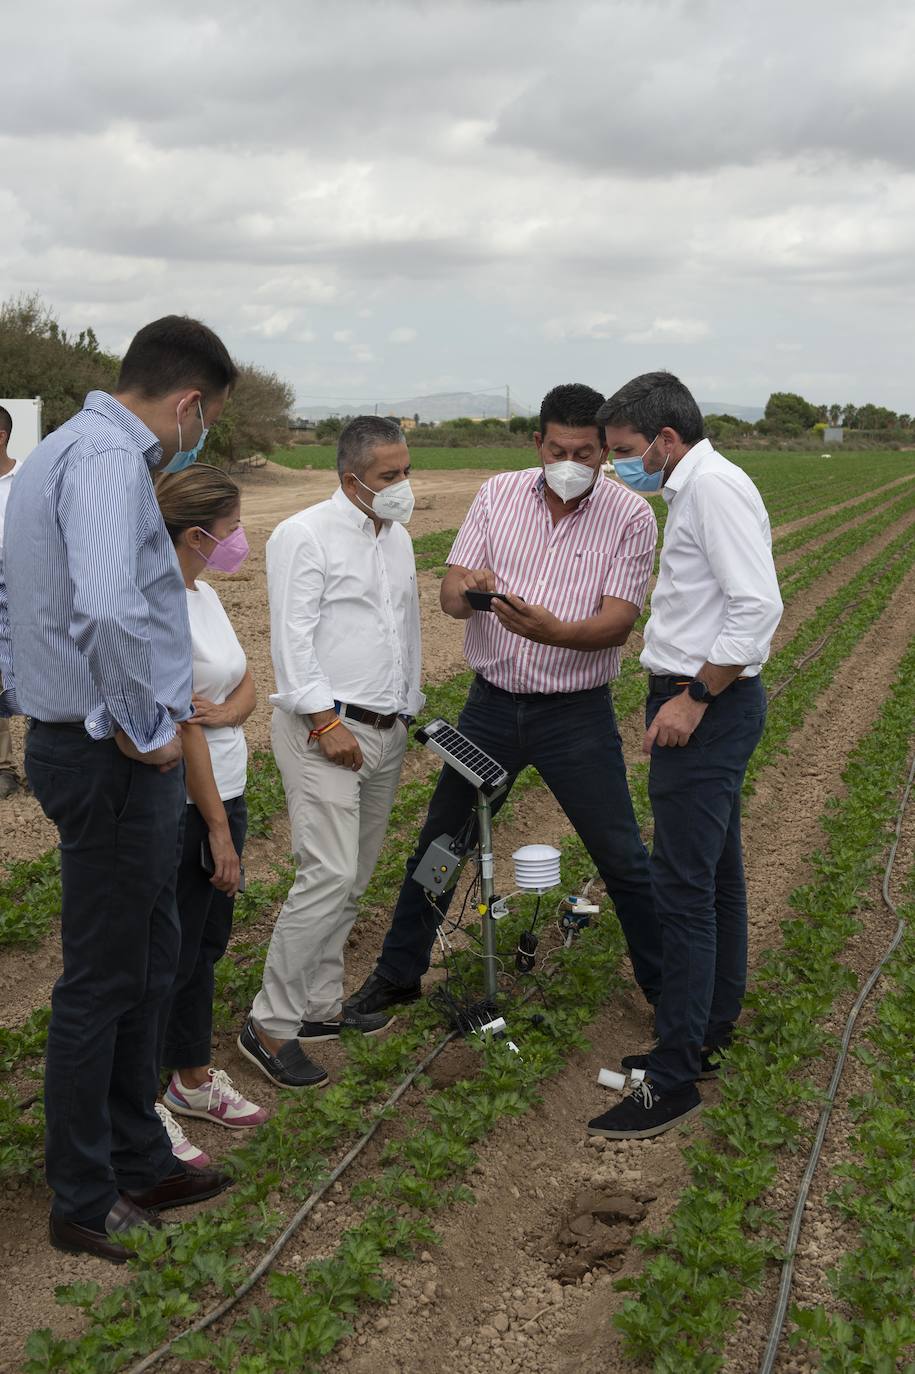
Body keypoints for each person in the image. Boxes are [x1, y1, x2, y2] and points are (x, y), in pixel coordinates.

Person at [0, 316, 238, 1262]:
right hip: (109, 756)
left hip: (85, 741)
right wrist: (146, 731)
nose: (202, 434)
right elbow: (104, 607)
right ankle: (84, 1195)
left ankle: (139, 1153)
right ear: (189, 401)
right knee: (102, 980)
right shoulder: (103, 459)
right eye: (208, 417)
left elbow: (24, 602)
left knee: (147, 954)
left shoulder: (58, 451)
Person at [346, 383, 663, 1025]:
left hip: (576, 715)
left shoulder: (631, 516)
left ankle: (668, 993)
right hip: (490, 709)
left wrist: (555, 632)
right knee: (442, 844)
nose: (568, 461)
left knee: (622, 857)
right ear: (537, 443)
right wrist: (470, 590)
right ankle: (399, 972)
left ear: (604, 451)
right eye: (556, 448)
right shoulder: (497, 495)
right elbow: (451, 594)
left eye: (585, 451)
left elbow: (618, 624)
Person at [587, 371, 782, 1141]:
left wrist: (692, 698)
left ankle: (671, 1079)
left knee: (683, 889)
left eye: (626, 451)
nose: (617, 466)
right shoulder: (697, 486)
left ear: (666, 439)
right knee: (715, 874)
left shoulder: (710, 490)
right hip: (705, 700)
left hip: (703, 705)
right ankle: (708, 1032)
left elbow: (756, 606)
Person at [238, 415, 425, 1089]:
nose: (402, 486)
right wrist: (323, 721)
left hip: (383, 728)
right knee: (324, 873)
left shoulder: (395, 538)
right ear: (351, 479)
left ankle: (319, 1006)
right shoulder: (303, 535)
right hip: (327, 730)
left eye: (405, 471)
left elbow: (401, 630)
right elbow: (291, 634)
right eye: (388, 477)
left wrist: (407, 710)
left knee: (354, 875)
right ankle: (268, 1024)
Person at [153, 464, 267, 1166]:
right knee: (170, 951)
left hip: (230, 786)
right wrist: (219, 833)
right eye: (229, 529)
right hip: (192, 804)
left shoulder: (202, 592)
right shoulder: (161, 603)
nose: (238, 540)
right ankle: (147, 1095)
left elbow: (246, 680)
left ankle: (190, 1076)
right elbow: (182, 723)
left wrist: (230, 709)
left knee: (205, 945)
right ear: (196, 533)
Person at [0, 406, 20, 799]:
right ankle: (3, 767)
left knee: (40, 669)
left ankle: (41, 759)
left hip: (25, 584)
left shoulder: (27, 479)